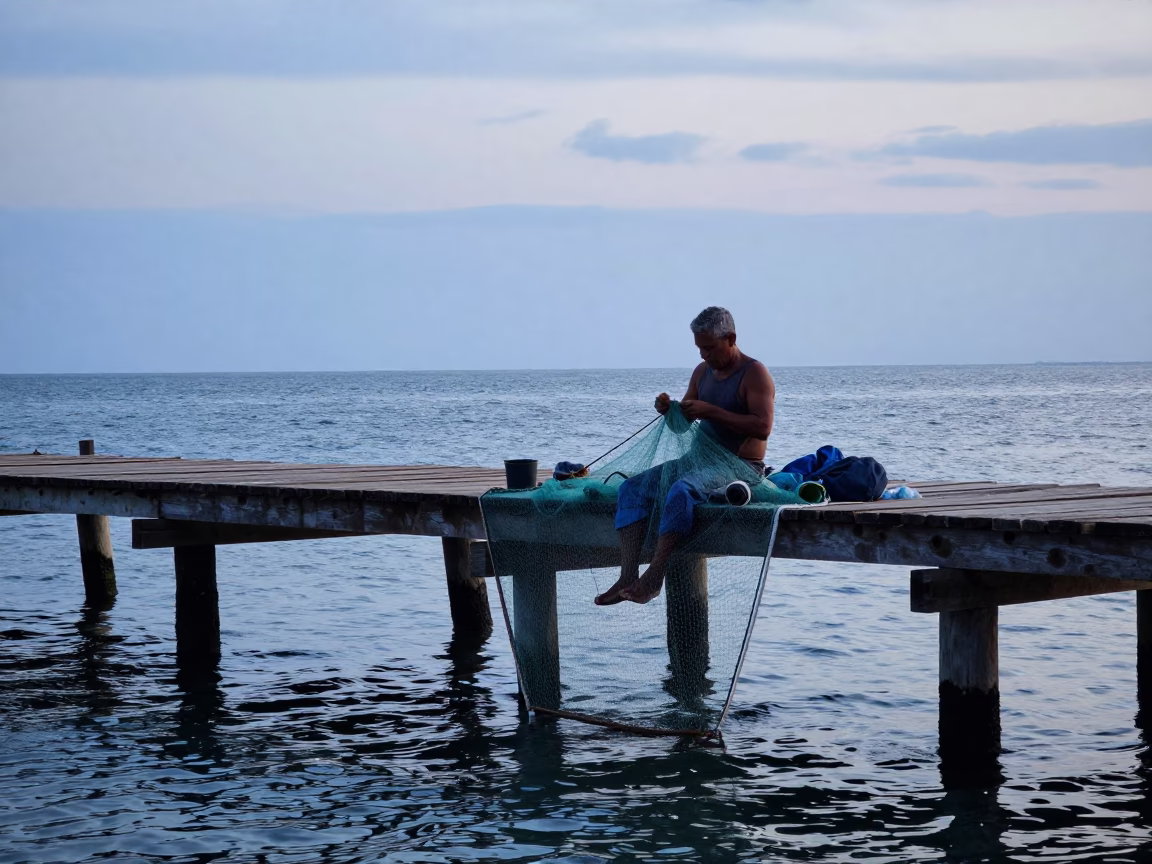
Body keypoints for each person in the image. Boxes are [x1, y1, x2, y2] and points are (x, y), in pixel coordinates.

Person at [595, 306, 775, 606]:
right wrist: (669, 410)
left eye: (709, 347)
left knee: (680, 491)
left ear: (731, 338)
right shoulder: (702, 372)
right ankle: (628, 575)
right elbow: (681, 427)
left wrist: (711, 411)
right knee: (632, 488)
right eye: (699, 348)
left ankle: (654, 577)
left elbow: (763, 427)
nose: (704, 355)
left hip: (741, 467)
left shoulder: (754, 373)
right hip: (699, 461)